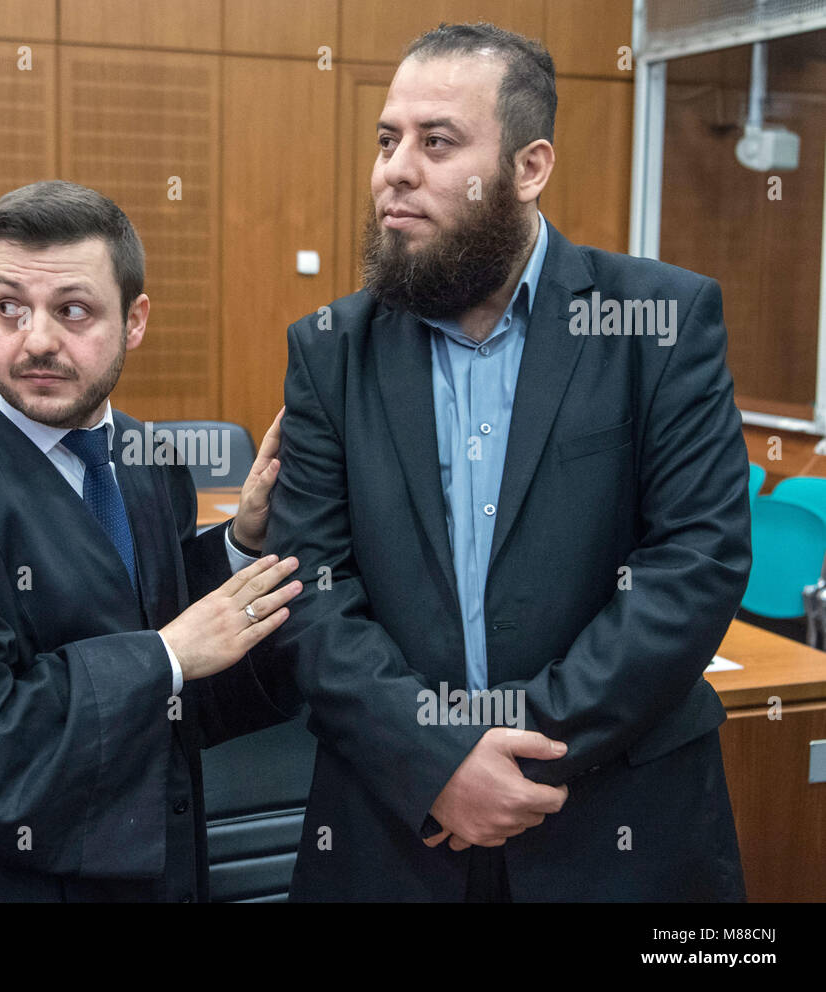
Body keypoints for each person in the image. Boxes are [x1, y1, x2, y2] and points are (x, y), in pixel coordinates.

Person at [264, 23, 749, 901]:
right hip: (395, 833)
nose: (394, 170)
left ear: (529, 168)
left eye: (436, 141)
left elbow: (694, 566)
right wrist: (436, 758)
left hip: (615, 828)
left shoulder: (656, 323)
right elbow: (312, 591)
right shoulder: (331, 351)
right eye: (386, 140)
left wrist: (501, 750)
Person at [0, 180, 301, 902]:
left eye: (73, 311)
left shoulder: (146, 459)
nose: (36, 339)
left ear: (136, 319)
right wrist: (164, 659)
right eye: (8, 308)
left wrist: (243, 543)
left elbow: (157, 621)